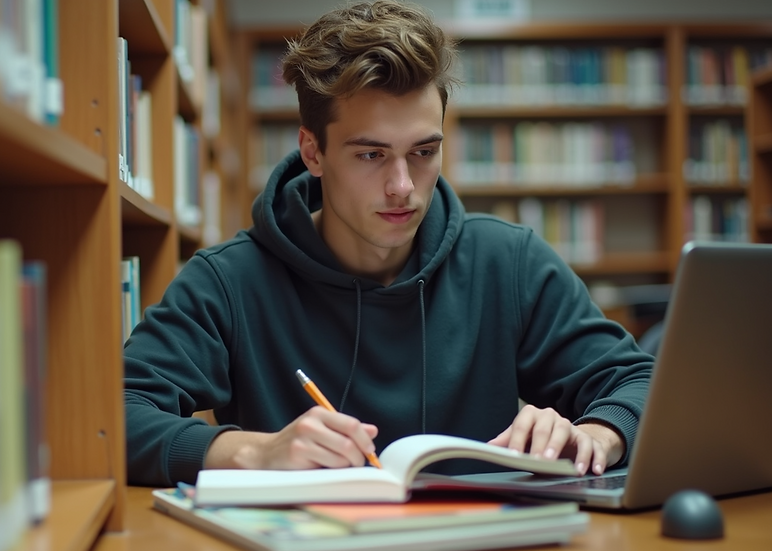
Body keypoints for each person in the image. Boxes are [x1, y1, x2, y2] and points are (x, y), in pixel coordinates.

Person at [123, 0, 654, 487]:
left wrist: (600, 435)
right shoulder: (230, 281)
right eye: (371, 155)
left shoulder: (509, 263)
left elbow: (644, 383)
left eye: (423, 151)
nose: (403, 186)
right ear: (312, 152)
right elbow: (116, 415)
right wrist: (250, 453)